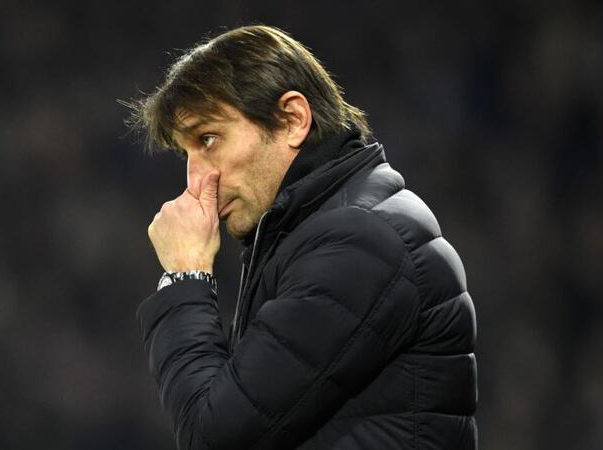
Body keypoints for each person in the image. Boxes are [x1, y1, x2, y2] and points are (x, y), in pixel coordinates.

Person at [126, 25, 477, 449]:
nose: (196, 180)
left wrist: (186, 276)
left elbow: (213, 436)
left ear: (293, 120)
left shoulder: (357, 243)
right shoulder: (317, 231)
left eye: (209, 139)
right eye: (187, 153)